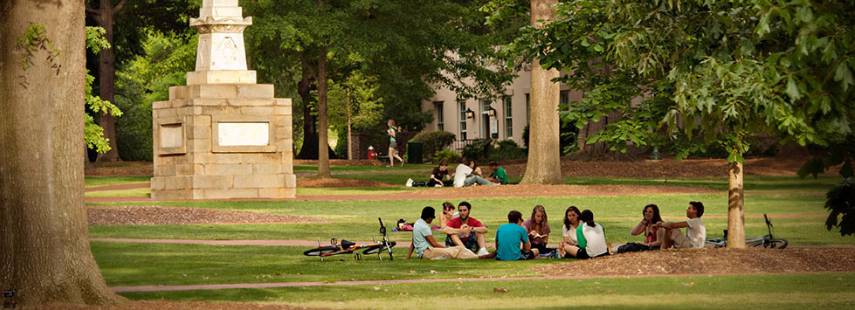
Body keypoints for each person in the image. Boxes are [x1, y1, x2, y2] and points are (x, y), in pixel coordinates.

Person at [406, 206, 478, 260]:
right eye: (432, 218)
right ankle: (477, 257)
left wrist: (407, 257)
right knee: (458, 250)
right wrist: (446, 249)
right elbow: (434, 244)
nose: (432, 220)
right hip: (427, 253)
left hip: (423, 254)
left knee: (455, 250)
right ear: (429, 217)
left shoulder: (417, 223)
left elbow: (413, 242)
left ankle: (475, 256)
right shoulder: (424, 227)